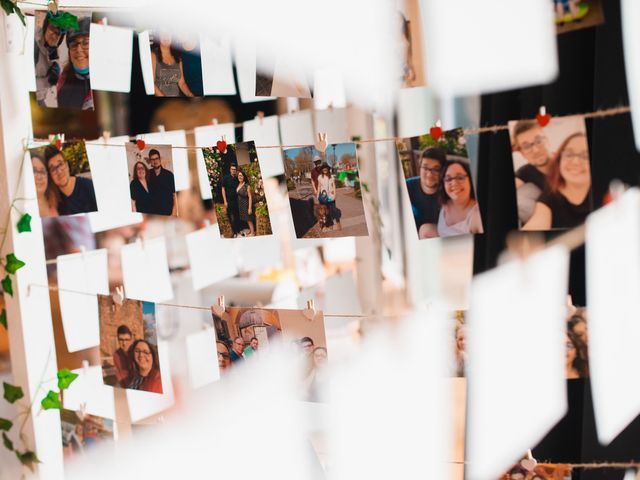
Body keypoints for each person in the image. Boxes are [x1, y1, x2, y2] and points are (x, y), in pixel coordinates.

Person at [523, 133, 591, 230]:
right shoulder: (549, 196)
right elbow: (536, 223)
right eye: (569, 154)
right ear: (560, 160)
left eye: (586, 156)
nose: (575, 161)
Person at [511, 120, 553, 224]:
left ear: (547, 140)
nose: (535, 150)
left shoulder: (568, 164)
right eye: (526, 146)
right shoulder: (525, 172)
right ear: (521, 152)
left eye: (539, 141)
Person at [44, 145, 97, 215]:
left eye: (60, 164)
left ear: (67, 165)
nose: (59, 171)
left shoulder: (89, 187)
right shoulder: (54, 201)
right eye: (53, 169)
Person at [406, 147, 446, 239]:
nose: (429, 174)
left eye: (436, 169)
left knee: (426, 230)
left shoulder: (448, 190)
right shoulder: (408, 186)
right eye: (425, 168)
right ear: (419, 167)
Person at [437, 159, 483, 237]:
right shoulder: (445, 204)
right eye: (448, 179)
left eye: (460, 177)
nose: (454, 183)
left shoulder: (477, 216)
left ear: (470, 180)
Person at [57, 17, 93, 110]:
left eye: (86, 43)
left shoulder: (107, 80)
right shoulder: (60, 84)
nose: (79, 49)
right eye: (73, 44)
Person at [35, 14, 67, 107]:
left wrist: (58, 69)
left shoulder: (56, 48)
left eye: (58, 33)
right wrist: (47, 81)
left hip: (44, 95)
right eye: (52, 29)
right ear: (45, 27)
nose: (54, 35)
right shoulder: (34, 43)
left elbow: (60, 64)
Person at [151, 33, 194, 97]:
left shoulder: (178, 56)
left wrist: (190, 94)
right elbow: (152, 84)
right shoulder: (153, 55)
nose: (166, 37)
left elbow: (182, 83)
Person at [147, 149, 177, 216]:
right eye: (152, 159)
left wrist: (174, 212)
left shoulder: (169, 175)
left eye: (156, 158)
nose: (155, 161)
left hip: (167, 212)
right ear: (150, 161)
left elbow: (174, 195)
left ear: (160, 159)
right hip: (152, 213)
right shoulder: (147, 174)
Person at [317, 163, 342, 231]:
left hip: (331, 196)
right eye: (323, 168)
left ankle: (337, 223)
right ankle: (326, 225)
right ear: (322, 169)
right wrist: (317, 194)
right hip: (323, 197)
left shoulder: (331, 177)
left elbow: (334, 185)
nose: (325, 169)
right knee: (325, 211)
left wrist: (335, 194)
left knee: (333, 210)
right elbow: (319, 186)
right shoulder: (320, 177)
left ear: (328, 169)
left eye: (326, 168)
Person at [221, 164, 241, 237]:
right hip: (229, 200)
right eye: (232, 169)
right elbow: (223, 189)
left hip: (237, 200)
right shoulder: (226, 178)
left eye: (234, 169)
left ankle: (238, 230)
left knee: (237, 216)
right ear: (230, 170)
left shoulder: (237, 178)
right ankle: (235, 232)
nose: (233, 170)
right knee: (231, 217)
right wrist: (225, 201)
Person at [236, 170, 255, 236]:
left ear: (244, 177)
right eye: (239, 175)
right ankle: (251, 230)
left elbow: (250, 197)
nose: (240, 177)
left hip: (246, 204)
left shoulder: (247, 186)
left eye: (241, 175)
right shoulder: (238, 184)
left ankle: (253, 233)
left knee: (249, 219)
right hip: (241, 205)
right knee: (246, 219)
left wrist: (249, 208)